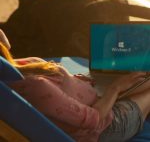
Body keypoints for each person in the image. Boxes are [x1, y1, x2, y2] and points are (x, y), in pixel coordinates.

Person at [0, 32, 150, 142]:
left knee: (140, 78)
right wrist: (115, 88)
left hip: (97, 96)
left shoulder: (14, 69)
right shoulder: (36, 87)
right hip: (104, 126)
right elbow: (95, 120)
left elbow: (6, 46)